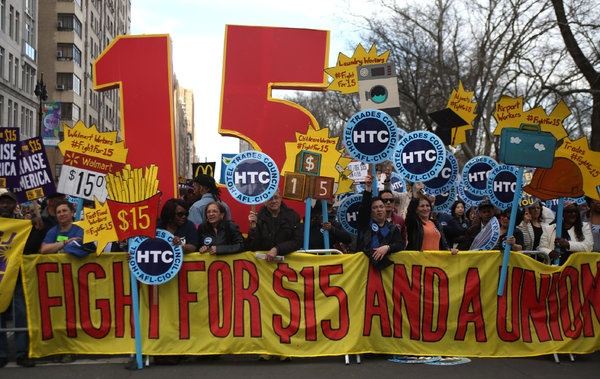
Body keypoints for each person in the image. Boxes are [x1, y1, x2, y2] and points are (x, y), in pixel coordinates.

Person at [0, 191, 35, 368]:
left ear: (15, 206)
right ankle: (1, 354)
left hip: (18, 278)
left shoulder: (23, 225)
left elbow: (31, 247)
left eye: (9, 202)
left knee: (21, 314)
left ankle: (22, 353)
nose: (5, 205)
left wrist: (35, 226)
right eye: (2, 202)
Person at [356, 174, 405, 270]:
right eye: (375, 207)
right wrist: (368, 187)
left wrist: (387, 248)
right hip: (363, 269)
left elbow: (400, 245)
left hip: (386, 271)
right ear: (370, 211)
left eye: (381, 207)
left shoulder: (392, 228)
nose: (379, 210)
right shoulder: (365, 224)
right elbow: (364, 207)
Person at [246, 189, 302, 262]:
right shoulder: (259, 217)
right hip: (265, 265)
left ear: (280, 198)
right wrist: (253, 228)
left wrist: (277, 249)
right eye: (270, 199)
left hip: (287, 264)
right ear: (265, 202)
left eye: (276, 198)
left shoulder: (293, 216)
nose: (274, 201)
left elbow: (297, 241)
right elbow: (252, 247)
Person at [405, 183, 458, 254]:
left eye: (427, 206)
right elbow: (410, 212)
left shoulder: (436, 224)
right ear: (416, 209)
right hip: (419, 262)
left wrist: (449, 250)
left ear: (431, 208)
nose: (425, 208)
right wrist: (415, 194)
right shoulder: (414, 223)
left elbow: (443, 245)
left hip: (435, 263)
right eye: (422, 206)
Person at [538, 201, 593, 265]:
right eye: (569, 211)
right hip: (554, 268)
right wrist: (549, 253)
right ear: (562, 213)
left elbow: (588, 247)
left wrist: (568, 244)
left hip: (576, 268)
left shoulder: (584, 227)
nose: (573, 214)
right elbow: (541, 248)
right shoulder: (549, 229)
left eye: (575, 211)